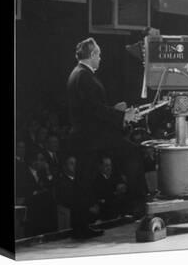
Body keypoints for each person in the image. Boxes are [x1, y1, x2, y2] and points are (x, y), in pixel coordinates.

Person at [66, 37, 143, 239]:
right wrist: (122, 115)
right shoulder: (84, 76)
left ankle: (80, 227)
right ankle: (141, 202)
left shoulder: (79, 74)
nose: (101, 58)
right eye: (99, 54)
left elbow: (93, 108)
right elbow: (94, 110)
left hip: (88, 137)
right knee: (132, 151)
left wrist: (115, 111)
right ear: (91, 55)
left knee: (83, 182)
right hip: (91, 138)